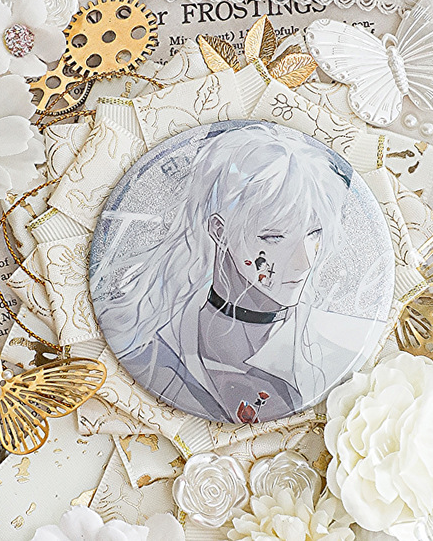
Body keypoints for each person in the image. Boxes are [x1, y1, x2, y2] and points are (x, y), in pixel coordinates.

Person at [96, 123, 370, 424]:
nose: (303, 262)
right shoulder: (151, 351)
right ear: (219, 231)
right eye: (274, 237)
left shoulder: (339, 352)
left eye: (314, 234)